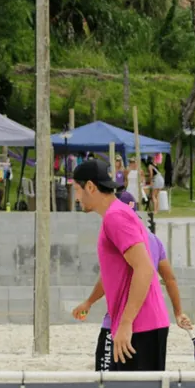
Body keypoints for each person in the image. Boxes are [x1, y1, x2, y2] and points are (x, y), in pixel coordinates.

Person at [73, 189, 192, 371]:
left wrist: (89, 302)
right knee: (147, 384)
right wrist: (178, 312)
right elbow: (170, 279)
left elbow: (108, 278)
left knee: (108, 382)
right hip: (154, 323)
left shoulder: (116, 228)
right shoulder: (153, 239)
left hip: (121, 321)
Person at [71, 159, 169, 371]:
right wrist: (89, 302)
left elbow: (144, 268)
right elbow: (114, 275)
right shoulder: (117, 215)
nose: (76, 197)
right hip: (139, 324)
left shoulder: (116, 217)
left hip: (140, 326)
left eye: (77, 189)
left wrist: (126, 323)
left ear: (90, 187)